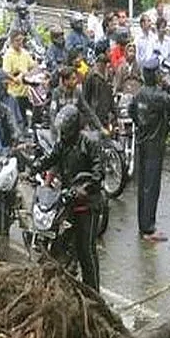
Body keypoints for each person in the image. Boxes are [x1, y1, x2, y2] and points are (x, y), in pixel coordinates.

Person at [34, 105, 104, 291]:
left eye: (65, 130)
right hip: (67, 202)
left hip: (87, 205)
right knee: (58, 243)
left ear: (73, 128)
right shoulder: (62, 143)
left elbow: (98, 174)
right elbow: (51, 158)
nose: (63, 133)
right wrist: (34, 165)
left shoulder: (89, 143)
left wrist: (83, 188)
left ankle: (94, 294)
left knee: (86, 250)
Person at [129, 56, 170, 242]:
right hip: (154, 146)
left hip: (142, 142)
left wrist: (141, 126)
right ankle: (148, 230)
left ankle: (142, 225)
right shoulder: (157, 96)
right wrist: (169, 85)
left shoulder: (139, 93)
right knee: (151, 188)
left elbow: (131, 111)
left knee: (143, 186)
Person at [49, 66, 101, 134]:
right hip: (60, 130)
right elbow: (53, 113)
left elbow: (88, 111)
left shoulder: (77, 92)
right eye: (73, 79)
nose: (76, 81)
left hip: (74, 129)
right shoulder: (57, 93)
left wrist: (100, 127)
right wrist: (56, 129)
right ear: (65, 81)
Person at [2, 31, 36, 124]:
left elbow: (32, 66)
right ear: (12, 41)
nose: (20, 42)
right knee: (18, 118)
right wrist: (15, 79)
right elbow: (6, 73)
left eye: (21, 40)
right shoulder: (8, 55)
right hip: (15, 92)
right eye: (17, 40)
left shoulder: (25, 53)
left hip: (26, 90)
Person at [82, 50, 113, 133]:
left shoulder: (108, 76)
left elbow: (110, 94)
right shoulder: (91, 75)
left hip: (105, 112)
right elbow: (86, 95)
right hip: (95, 110)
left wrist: (112, 110)